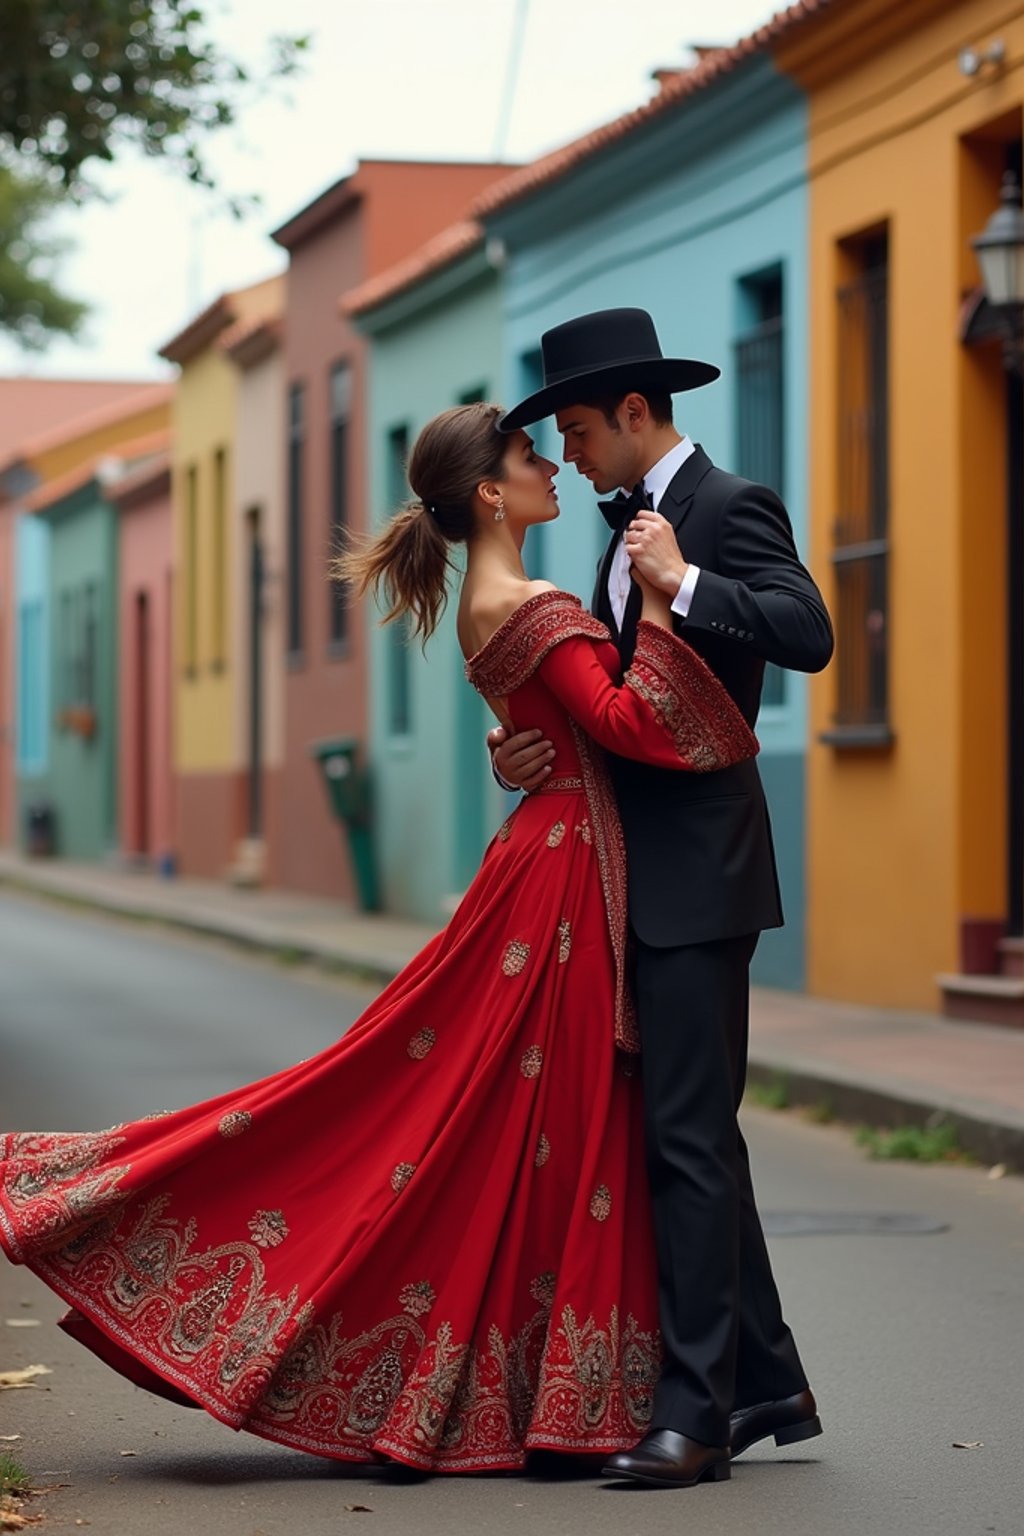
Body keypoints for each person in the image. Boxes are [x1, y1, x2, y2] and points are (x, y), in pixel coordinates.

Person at [0, 401, 758, 1479]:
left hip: (549, 855)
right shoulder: (533, 599)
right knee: (532, 1122)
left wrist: (521, 747)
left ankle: (611, 1383)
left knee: (484, 1115)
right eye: (528, 456)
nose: (552, 465)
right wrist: (662, 604)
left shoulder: (493, 599)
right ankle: (547, 1390)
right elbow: (635, 725)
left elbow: (546, 726)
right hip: (561, 879)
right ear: (490, 493)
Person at [492, 309, 834, 1488]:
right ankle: (769, 1377)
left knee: (684, 1139)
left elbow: (808, 633)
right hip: (628, 869)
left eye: (580, 431)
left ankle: (695, 1413)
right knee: (691, 1137)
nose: (572, 456)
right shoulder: (617, 525)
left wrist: (684, 581)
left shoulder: (725, 508)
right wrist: (526, 753)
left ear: (636, 414)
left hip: (697, 873)